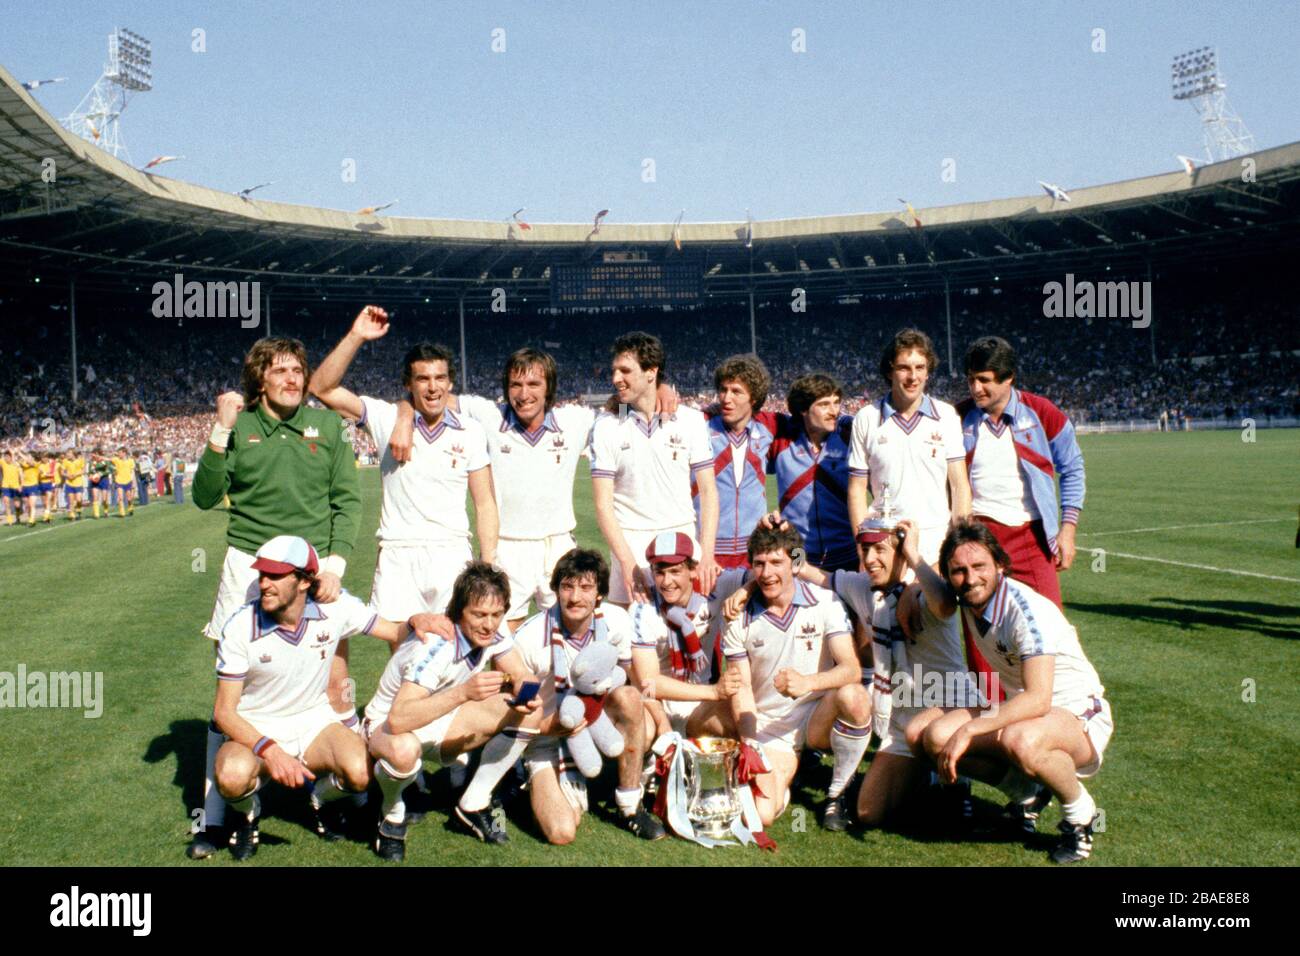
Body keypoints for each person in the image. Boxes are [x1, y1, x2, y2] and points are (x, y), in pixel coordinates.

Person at [189, 336, 361, 860]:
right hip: (248, 564)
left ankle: (328, 792)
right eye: (279, 370)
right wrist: (219, 430)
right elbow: (202, 496)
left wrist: (333, 566)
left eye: (297, 370)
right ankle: (216, 817)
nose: (291, 379)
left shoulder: (328, 425)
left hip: (312, 570)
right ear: (259, 378)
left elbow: (347, 501)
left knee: (335, 678)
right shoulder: (239, 426)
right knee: (230, 693)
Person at [210, 535, 441, 861]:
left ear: (304, 581)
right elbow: (224, 713)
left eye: (275, 575)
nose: (264, 584)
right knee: (232, 777)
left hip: (314, 720)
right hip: (257, 725)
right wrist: (271, 751)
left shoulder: (336, 607)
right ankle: (248, 813)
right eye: (262, 575)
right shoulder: (238, 627)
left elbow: (393, 632)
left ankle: (320, 799)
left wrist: (416, 621)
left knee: (361, 773)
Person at [388, 346, 649, 630]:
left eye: (534, 384)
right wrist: (403, 416)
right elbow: (428, 395)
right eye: (516, 384)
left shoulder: (574, 420)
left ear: (549, 387)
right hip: (508, 548)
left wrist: (659, 394)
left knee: (575, 636)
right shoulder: (487, 414)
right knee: (500, 644)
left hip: (558, 545)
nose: (524, 394)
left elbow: (620, 409)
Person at [909, 520, 1113, 863]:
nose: (970, 578)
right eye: (958, 571)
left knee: (1019, 740)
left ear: (1000, 565)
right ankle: (1026, 794)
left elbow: (1038, 698)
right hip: (1024, 709)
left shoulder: (1023, 612)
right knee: (927, 735)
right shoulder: (970, 597)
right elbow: (941, 595)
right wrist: (912, 555)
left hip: (1077, 713)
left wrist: (971, 729)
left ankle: (1080, 814)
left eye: (979, 567)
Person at [308, 306, 498, 621]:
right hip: (398, 552)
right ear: (408, 384)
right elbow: (321, 388)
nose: (433, 387)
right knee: (400, 656)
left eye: (440, 378)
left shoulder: (472, 430)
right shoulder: (385, 418)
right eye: (422, 379)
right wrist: (357, 336)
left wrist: (488, 564)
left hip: (451, 553)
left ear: (450, 383)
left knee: (455, 656)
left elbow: (485, 502)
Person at [361, 562, 543, 860]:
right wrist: (463, 693)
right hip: (386, 727)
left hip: (439, 719)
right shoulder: (436, 646)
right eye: (479, 614)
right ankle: (391, 815)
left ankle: (473, 803)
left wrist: (526, 692)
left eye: (497, 615)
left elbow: (520, 671)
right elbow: (398, 719)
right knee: (404, 750)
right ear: (459, 611)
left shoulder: (493, 631)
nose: (489, 624)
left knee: (529, 713)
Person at [711, 523, 869, 828]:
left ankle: (838, 793)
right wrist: (750, 745)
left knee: (855, 697)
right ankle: (779, 775)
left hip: (815, 719)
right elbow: (742, 687)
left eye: (776, 563)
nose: (767, 573)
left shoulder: (825, 602)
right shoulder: (736, 616)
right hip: (770, 728)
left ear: (793, 563)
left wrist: (808, 682)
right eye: (759, 563)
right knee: (759, 816)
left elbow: (852, 669)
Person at [506, 548, 665, 843]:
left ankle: (630, 806)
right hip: (547, 733)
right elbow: (513, 713)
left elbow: (632, 681)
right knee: (561, 832)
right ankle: (522, 774)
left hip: (595, 718)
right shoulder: (529, 640)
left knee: (629, 699)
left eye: (585, 587)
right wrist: (549, 727)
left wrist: (662, 726)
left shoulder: (616, 622)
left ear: (600, 594)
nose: (575, 597)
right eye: (567, 586)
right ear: (555, 590)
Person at [589, 331, 719, 606]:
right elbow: (602, 505)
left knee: (691, 636)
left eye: (625, 370)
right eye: (614, 370)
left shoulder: (690, 420)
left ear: (651, 372)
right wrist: (626, 562)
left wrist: (707, 554)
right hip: (630, 545)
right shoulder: (607, 425)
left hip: (682, 540)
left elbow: (708, 492)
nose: (615, 379)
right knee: (630, 643)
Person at [959, 336, 1085, 608]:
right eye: (970, 379)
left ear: (1008, 378)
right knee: (984, 640)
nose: (975, 388)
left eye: (984, 380)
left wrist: (1068, 529)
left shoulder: (1042, 412)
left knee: (1050, 634)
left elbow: (1073, 468)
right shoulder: (957, 418)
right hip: (978, 537)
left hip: (1032, 537)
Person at [848, 328, 971, 564]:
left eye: (920, 368)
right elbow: (856, 490)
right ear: (890, 371)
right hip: (884, 542)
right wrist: (863, 548)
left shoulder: (946, 415)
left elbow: (959, 486)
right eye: (904, 368)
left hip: (936, 542)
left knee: (935, 602)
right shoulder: (866, 417)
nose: (912, 376)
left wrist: (961, 541)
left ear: (928, 372)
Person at [628, 532, 749, 740]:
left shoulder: (714, 586)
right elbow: (650, 682)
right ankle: (650, 765)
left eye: (675, 571)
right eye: (659, 572)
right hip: (658, 704)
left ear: (693, 570)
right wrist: (713, 692)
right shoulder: (642, 608)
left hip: (700, 705)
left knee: (742, 722)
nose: (666, 582)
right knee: (640, 734)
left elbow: (780, 570)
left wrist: (745, 589)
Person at [697, 354, 781, 568]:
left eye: (736, 391)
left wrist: (845, 423)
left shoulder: (769, 427)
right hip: (706, 551)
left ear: (753, 398)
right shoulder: (697, 425)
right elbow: (636, 414)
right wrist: (621, 408)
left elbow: (808, 416)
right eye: (723, 390)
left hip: (753, 551)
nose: (726, 398)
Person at [769, 373, 857, 572]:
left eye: (836, 403)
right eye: (824, 404)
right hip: (798, 552)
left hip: (847, 552)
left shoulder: (848, 438)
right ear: (803, 409)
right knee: (799, 598)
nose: (834, 411)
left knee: (847, 601)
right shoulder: (781, 441)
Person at [110, 446, 136, 517]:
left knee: (129, 498)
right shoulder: (117, 460)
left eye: (120, 453)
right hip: (119, 481)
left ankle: (130, 508)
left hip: (128, 481)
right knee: (120, 497)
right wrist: (98, 456)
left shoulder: (130, 461)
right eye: (118, 453)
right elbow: (108, 459)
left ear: (124, 453)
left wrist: (133, 481)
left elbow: (132, 472)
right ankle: (122, 513)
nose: (119, 454)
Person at [60, 449, 86, 520]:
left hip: (78, 483)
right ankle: (72, 515)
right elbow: (62, 472)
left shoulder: (80, 460)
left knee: (78, 499)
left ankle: (79, 508)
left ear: (73, 454)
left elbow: (83, 470)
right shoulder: (65, 461)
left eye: (69, 453)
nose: (67, 454)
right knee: (71, 500)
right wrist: (67, 475)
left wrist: (76, 475)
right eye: (67, 453)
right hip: (69, 483)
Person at [0, 448, 20, 525]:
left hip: (15, 486)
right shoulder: (2, 462)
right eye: (5, 457)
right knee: (6, 503)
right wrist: (5, 449)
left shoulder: (16, 464)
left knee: (17, 505)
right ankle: (10, 520)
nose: (6, 458)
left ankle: (18, 517)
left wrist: (20, 485)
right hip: (5, 486)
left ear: (11, 457)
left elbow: (20, 474)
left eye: (8, 457)